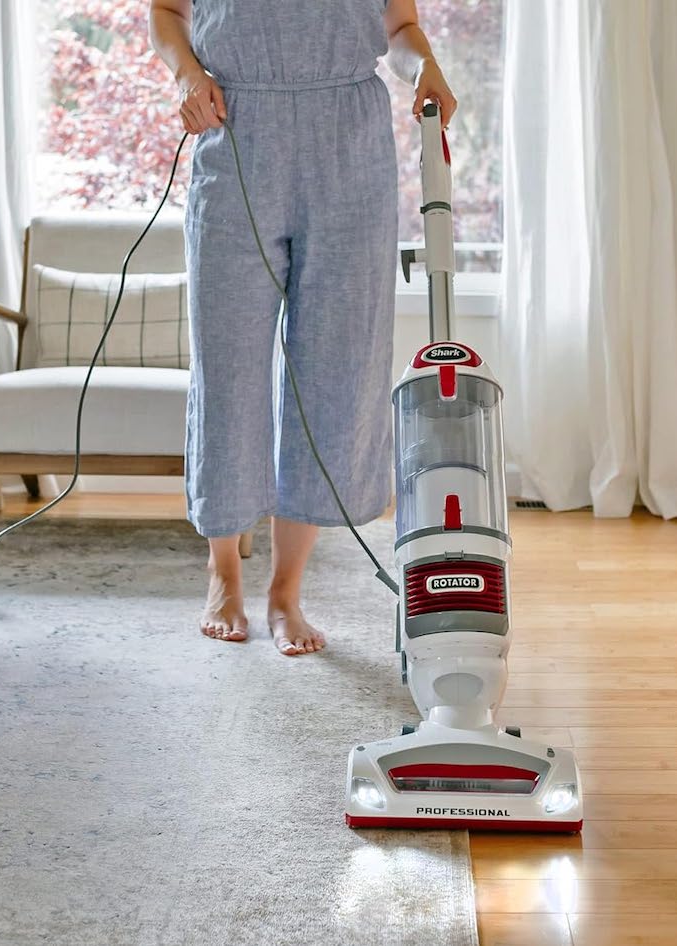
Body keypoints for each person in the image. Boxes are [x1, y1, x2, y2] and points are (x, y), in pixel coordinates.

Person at [149, 0, 456, 656]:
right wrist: (187, 78)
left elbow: (398, 30)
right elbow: (166, 12)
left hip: (349, 143)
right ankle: (223, 571)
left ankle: (286, 591)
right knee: (228, 367)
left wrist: (423, 67)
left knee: (335, 371)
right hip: (237, 132)